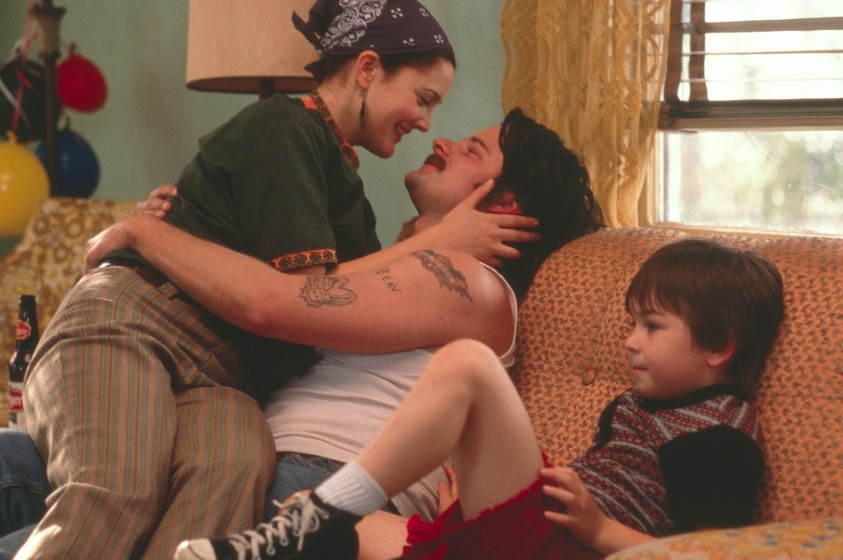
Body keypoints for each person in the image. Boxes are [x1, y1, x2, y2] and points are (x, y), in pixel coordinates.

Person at [15, 2, 537, 559]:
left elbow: (334, 296)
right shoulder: (285, 124)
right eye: (423, 98)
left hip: (228, 377)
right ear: (366, 69)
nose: (427, 124)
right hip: (144, 321)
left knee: (229, 479)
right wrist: (431, 242)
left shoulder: (354, 202)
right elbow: (301, 293)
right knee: (118, 488)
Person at [173, 238, 785, 560]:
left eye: (652, 327)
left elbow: (709, 555)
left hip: (570, 551)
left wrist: (599, 529)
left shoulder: (720, 434)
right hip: (533, 541)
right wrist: (482, 491)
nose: (630, 342)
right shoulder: (636, 406)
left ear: (719, 347)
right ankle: (315, 521)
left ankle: (319, 517)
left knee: (466, 363)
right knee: (320, 525)